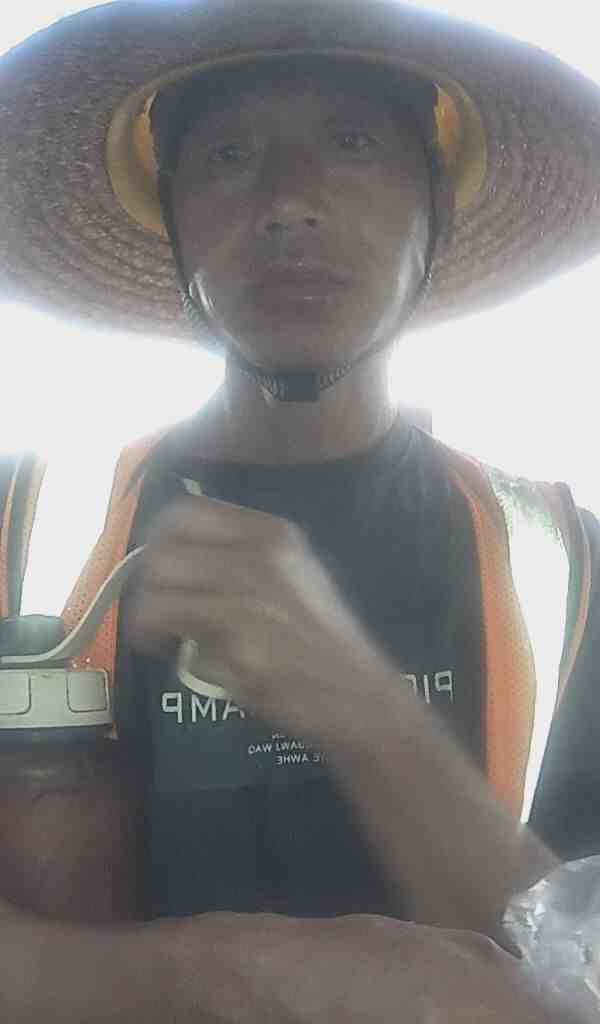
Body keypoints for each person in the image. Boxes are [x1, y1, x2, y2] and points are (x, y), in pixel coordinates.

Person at [0, 0, 599, 1020]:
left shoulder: (564, 565)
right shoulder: (24, 523)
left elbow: (586, 972)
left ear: (435, 205)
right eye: (229, 154)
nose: (289, 202)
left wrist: (360, 705)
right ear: (172, 214)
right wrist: (215, 974)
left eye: (353, 144)